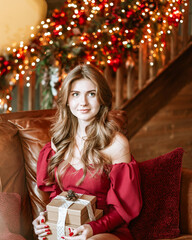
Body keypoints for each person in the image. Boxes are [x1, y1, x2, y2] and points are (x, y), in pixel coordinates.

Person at [32, 64, 142, 240]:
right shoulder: (58, 143)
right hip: (69, 229)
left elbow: (124, 208)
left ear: (102, 99)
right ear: (67, 100)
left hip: (106, 231)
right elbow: (57, 196)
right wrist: (47, 217)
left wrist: (92, 229)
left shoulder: (117, 144)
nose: (83, 102)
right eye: (75, 94)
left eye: (91, 94)